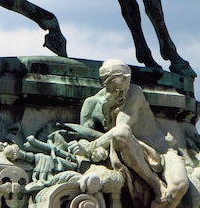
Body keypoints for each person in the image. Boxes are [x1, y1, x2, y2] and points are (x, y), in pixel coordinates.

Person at [70, 59, 189, 208]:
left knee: (180, 186)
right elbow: (83, 135)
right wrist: (90, 148)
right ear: (106, 82)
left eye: (127, 80)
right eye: (119, 84)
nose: (125, 87)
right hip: (126, 149)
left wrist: (91, 146)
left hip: (161, 151)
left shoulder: (134, 92)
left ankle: (158, 197)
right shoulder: (91, 104)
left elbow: (121, 128)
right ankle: (157, 185)